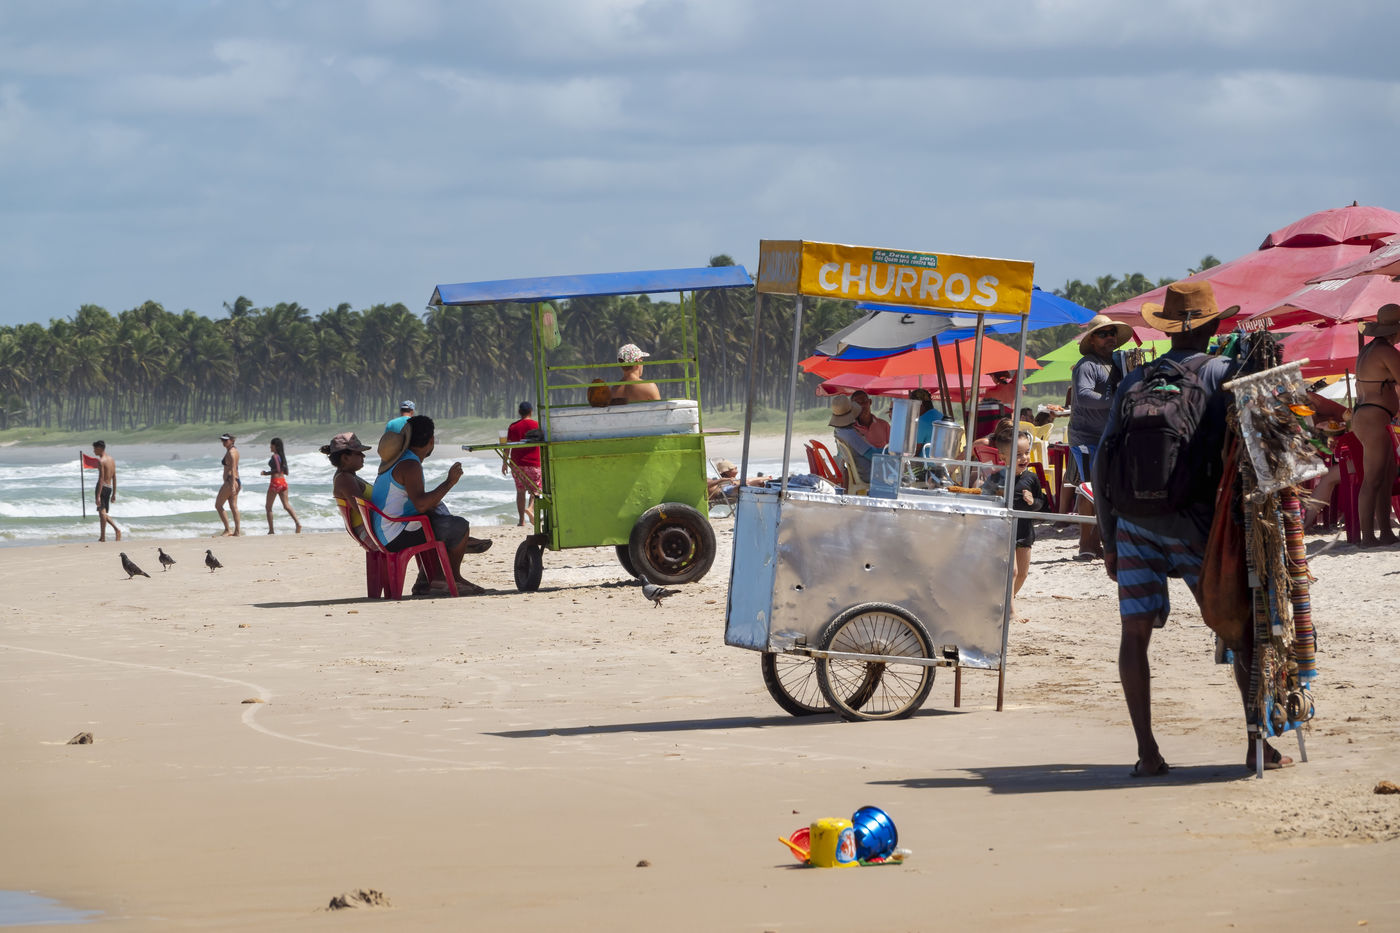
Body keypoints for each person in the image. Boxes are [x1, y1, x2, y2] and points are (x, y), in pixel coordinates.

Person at [1094, 280, 1290, 776]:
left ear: (1167, 329)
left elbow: (1101, 460)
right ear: (1214, 326)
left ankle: (1147, 754)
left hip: (1133, 523)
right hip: (1198, 526)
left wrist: (1109, 537)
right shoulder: (1224, 372)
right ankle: (1257, 746)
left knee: (1134, 635)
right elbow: (1256, 448)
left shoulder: (1133, 380)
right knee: (1240, 631)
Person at [372, 415, 492, 596]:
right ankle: (451, 578)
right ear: (431, 441)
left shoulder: (398, 459)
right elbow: (420, 505)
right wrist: (450, 482)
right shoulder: (410, 465)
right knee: (459, 526)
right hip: (394, 535)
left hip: (385, 530)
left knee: (438, 517)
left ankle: (428, 579)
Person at [1067, 313, 1132, 560]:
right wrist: (1115, 400)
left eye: (1112, 333)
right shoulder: (1087, 365)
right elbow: (1083, 396)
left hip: (1108, 436)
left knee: (1106, 490)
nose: (1109, 337)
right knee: (1089, 488)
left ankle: (1099, 542)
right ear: (1092, 340)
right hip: (1086, 437)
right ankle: (1086, 545)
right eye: (1103, 334)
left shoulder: (1116, 363)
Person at [1351, 304, 1400, 547]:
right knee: (1373, 479)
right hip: (1375, 417)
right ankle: (1368, 536)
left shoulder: (1369, 349)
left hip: (1368, 415)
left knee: (1384, 477)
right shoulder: (1387, 351)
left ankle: (1385, 533)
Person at [984, 430, 1044, 624]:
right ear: (1003, 457)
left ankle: (1004, 601)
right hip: (1004, 531)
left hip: (1025, 531)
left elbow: (1042, 504)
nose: (1024, 458)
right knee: (1013, 572)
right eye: (1018, 454)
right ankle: (1010, 611)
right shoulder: (997, 478)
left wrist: (1032, 501)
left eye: (1026, 453)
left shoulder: (1031, 478)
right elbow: (985, 499)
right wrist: (995, 497)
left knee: (1023, 574)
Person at [323, 432, 374, 544]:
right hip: (369, 532)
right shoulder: (345, 478)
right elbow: (363, 511)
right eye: (359, 453)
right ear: (345, 458)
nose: (363, 456)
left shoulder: (349, 476)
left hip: (370, 530)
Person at [503, 400, 542, 526]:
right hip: (534, 463)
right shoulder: (537, 425)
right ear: (531, 411)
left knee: (520, 491)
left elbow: (507, 446)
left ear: (519, 412)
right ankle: (530, 509)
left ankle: (521, 521)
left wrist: (504, 463)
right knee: (536, 489)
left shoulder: (513, 427)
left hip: (517, 464)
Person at [829, 396, 875, 483]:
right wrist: (887, 452)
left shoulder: (838, 431)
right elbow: (871, 455)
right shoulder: (850, 434)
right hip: (868, 475)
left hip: (858, 473)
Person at [260, 437, 302, 534]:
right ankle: (298, 523)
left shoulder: (275, 456)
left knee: (268, 507)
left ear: (275, 446)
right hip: (283, 482)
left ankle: (271, 530)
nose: (270, 447)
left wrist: (266, 473)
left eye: (271, 445)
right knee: (286, 505)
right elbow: (285, 471)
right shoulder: (282, 457)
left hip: (275, 482)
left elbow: (278, 470)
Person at [92, 440, 120, 542]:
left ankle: (108, 534)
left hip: (102, 487)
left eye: (95, 449)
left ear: (100, 448)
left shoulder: (101, 461)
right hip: (109, 487)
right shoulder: (111, 460)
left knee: (102, 513)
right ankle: (104, 536)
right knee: (102, 513)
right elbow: (114, 477)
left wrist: (98, 495)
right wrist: (114, 493)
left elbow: (101, 478)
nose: (94, 451)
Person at [215, 433, 241, 536]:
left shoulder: (231, 452)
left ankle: (228, 529)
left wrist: (232, 485)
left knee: (218, 505)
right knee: (233, 507)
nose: (223, 442)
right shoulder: (234, 450)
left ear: (231, 440)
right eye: (222, 440)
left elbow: (233, 468)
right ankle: (237, 531)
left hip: (231, 481)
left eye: (226, 440)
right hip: (235, 481)